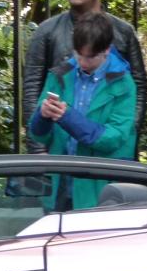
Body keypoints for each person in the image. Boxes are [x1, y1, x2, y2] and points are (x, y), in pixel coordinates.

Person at [23, 0, 147, 155]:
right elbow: (32, 88)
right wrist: (38, 148)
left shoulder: (123, 32)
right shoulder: (46, 31)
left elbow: (139, 88)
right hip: (59, 151)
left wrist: (125, 137)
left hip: (108, 151)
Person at [28, 11, 137, 209]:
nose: (83, 62)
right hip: (60, 187)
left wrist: (67, 117)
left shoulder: (124, 84)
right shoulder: (60, 74)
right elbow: (38, 135)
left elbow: (114, 138)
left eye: (91, 57)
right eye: (79, 54)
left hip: (102, 191)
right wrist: (42, 116)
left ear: (106, 50)